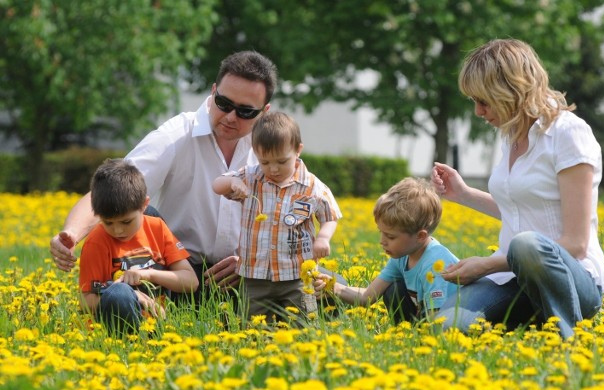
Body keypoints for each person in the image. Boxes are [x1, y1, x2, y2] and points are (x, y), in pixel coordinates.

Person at [50, 51, 278, 308]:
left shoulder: (272, 149)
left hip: (245, 273)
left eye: (245, 111)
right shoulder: (178, 134)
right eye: (224, 103)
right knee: (147, 213)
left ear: (264, 111)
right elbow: (115, 187)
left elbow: (293, 221)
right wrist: (71, 234)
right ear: (213, 91)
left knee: (322, 282)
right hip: (175, 271)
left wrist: (254, 261)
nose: (230, 117)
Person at [430, 39, 604, 338]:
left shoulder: (568, 134)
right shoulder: (510, 137)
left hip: (573, 279)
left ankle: (569, 337)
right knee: (447, 327)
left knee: (525, 245)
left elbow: (576, 243)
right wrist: (462, 194)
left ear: (512, 91)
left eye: (484, 101)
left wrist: (488, 264)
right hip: (512, 277)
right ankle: (532, 319)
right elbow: (521, 209)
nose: (477, 112)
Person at [213, 111, 341, 321]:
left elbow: (330, 216)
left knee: (303, 322)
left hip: (297, 275)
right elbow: (217, 184)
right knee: (252, 325)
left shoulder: (311, 186)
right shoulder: (251, 176)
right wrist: (232, 183)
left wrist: (323, 238)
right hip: (255, 276)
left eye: (282, 161)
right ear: (256, 154)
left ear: (298, 150)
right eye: (265, 162)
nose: (273, 169)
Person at [314, 177, 458, 324]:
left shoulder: (436, 264)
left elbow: (439, 321)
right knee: (393, 290)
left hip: (455, 323)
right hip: (426, 317)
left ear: (420, 236)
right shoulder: (402, 257)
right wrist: (334, 287)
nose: (382, 241)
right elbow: (367, 297)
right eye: (381, 232)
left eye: (390, 236)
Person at [79, 159, 198, 333]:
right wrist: (132, 296)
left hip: (157, 324)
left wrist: (148, 274)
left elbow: (191, 282)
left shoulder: (157, 227)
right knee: (120, 292)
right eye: (108, 223)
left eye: (126, 221)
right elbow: (85, 301)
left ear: (144, 204)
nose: (118, 230)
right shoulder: (96, 241)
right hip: (113, 329)